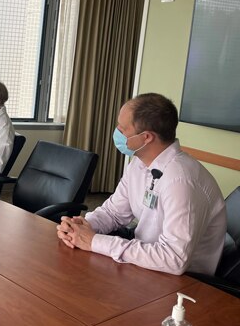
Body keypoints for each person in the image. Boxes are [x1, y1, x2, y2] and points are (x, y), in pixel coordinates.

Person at [57, 93, 226, 276]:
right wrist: (81, 227)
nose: (116, 132)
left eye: (122, 129)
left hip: (185, 284)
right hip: (144, 262)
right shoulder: (139, 163)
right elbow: (113, 213)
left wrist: (94, 241)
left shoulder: (181, 181)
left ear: (146, 137)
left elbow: (174, 259)